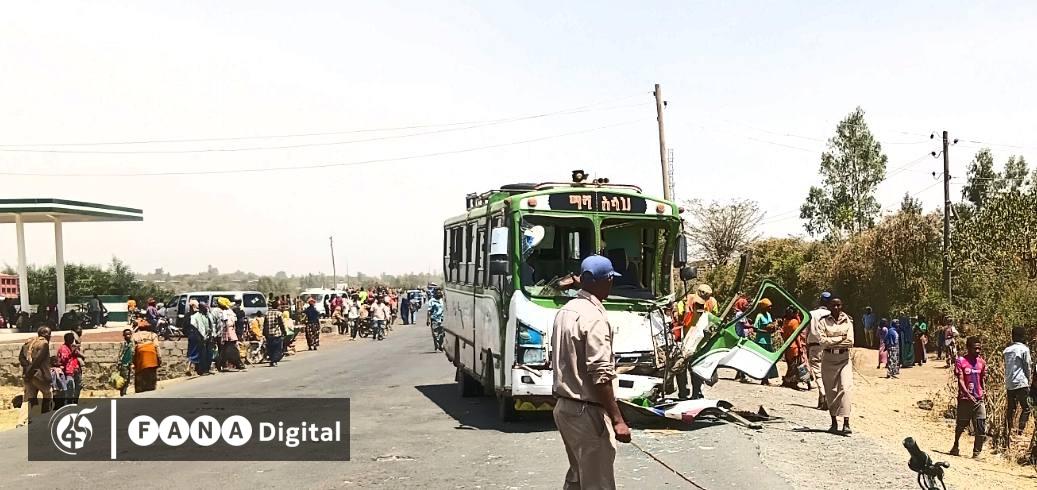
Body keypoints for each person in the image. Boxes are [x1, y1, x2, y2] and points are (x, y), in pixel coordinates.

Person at [550, 255, 631, 489]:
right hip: (586, 411)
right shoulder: (594, 317)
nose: (611, 284)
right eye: (610, 279)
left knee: (578, 477)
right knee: (597, 483)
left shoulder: (566, 310)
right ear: (605, 280)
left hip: (565, 408)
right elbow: (601, 373)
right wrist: (618, 420)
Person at [819, 296, 854, 434]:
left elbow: (850, 341)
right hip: (828, 359)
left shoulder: (848, 321)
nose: (836, 308)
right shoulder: (823, 322)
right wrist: (840, 338)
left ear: (842, 306)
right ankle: (833, 422)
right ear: (829, 306)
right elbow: (822, 342)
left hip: (844, 359)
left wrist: (831, 339)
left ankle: (846, 422)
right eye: (833, 305)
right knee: (831, 390)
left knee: (846, 388)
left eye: (838, 305)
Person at [951, 337, 987, 458]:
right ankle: (955, 445)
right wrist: (967, 394)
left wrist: (983, 392)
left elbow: (982, 380)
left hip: (978, 399)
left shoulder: (982, 363)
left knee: (981, 425)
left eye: (979, 348)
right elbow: (960, 380)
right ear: (968, 348)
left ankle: (977, 452)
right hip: (965, 400)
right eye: (975, 348)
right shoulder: (961, 361)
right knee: (961, 425)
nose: (977, 351)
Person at [17, 327, 53, 426]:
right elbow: (38, 360)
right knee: (48, 394)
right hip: (39, 375)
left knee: (28, 398)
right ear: (45, 334)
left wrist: (27, 369)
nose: (50, 336)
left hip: (28, 375)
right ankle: (45, 418)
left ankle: (21, 421)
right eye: (49, 334)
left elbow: (21, 358)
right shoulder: (44, 344)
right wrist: (30, 371)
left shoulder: (28, 342)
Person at [1004, 326, 1032, 436]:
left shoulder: (1007, 350)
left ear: (1012, 336)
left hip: (1010, 383)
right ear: (1023, 336)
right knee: (1026, 408)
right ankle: (1020, 431)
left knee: (1011, 409)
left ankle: (1007, 431)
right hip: (1021, 382)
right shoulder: (1024, 349)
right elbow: (1027, 366)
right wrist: (1029, 379)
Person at [806, 292, 832, 409]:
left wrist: (806, 346)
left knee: (818, 372)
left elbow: (806, 331)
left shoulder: (811, 314)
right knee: (828, 373)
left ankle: (823, 393)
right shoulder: (832, 314)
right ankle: (823, 400)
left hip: (814, 347)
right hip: (829, 347)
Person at [753, 298, 778, 385]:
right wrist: (765, 331)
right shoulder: (759, 316)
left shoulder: (768, 315)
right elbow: (755, 328)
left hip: (768, 341)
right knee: (762, 360)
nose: (770, 308)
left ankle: (766, 378)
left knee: (769, 360)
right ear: (764, 307)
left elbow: (770, 325)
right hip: (761, 341)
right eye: (768, 307)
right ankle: (763, 378)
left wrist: (773, 328)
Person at [131, 320, 161, 393]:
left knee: (140, 372)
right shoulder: (153, 335)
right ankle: (151, 387)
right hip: (152, 355)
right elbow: (157, 346)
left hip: (140, 355)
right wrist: (159, 358)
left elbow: (132, 349)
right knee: (152, 372)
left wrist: (132, 361)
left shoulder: (135, 335)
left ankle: (140, 388)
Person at [781, 306, 806, 389]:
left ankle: (786, 381)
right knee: (794, 366)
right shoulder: (794, 322)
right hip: (794, 346)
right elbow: (797, 335)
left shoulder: (785, 321)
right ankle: (792, 382)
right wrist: (800, 347)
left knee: (790, 365)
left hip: (787, 346)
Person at [217, 297, 244, 371]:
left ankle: (235, 363)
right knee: (228, 349)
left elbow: (224, 325)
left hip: (227, 332)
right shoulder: (231, 312)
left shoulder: (224, 312)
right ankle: (232, 364)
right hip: (231, 332)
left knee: (228, 349)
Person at [57, 332, 83, 404]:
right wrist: (72, 353)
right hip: (68, 372)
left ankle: (75, 402)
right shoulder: (63, 348)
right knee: (70, 389)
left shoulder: (72, 347)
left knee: (78, 387)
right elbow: (64, 359)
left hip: (76, 370)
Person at [191, 301, 215, 375]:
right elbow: (195, 327)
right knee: (202, 354)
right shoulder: (195, 316)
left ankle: (207, 369)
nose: (206, 308)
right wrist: (200, 337)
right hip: (201, 338)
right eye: (205, 307)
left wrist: (212, 334)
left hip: (209, 337)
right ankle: (202, 370)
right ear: (201, 308)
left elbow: (212, 325)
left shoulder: (209, 315)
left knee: (209, 354)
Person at [117, 328, 133, 396]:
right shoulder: (123, 343)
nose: (128, 336)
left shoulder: (133, 343)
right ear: (124, 336)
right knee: (124, 379)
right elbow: (120, 354)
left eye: (129, 334)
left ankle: (124, 392)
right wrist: (119, 363)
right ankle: (123, 393)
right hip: (124, 364)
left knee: (128, 379)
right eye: (126, 334)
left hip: (130, 363)